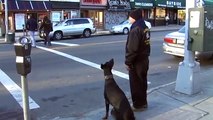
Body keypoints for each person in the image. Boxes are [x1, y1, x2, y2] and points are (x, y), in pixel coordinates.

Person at [125, 8, 150, 111]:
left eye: (130, 16)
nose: (129, 18)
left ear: (134, 17)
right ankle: (143, 102)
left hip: (137, 62)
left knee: (136, 84)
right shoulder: (144, 27)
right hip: (144, 59)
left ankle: (138, 105)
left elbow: (132, 49)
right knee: (142, 82)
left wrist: (128, 62)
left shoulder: (135, 29)